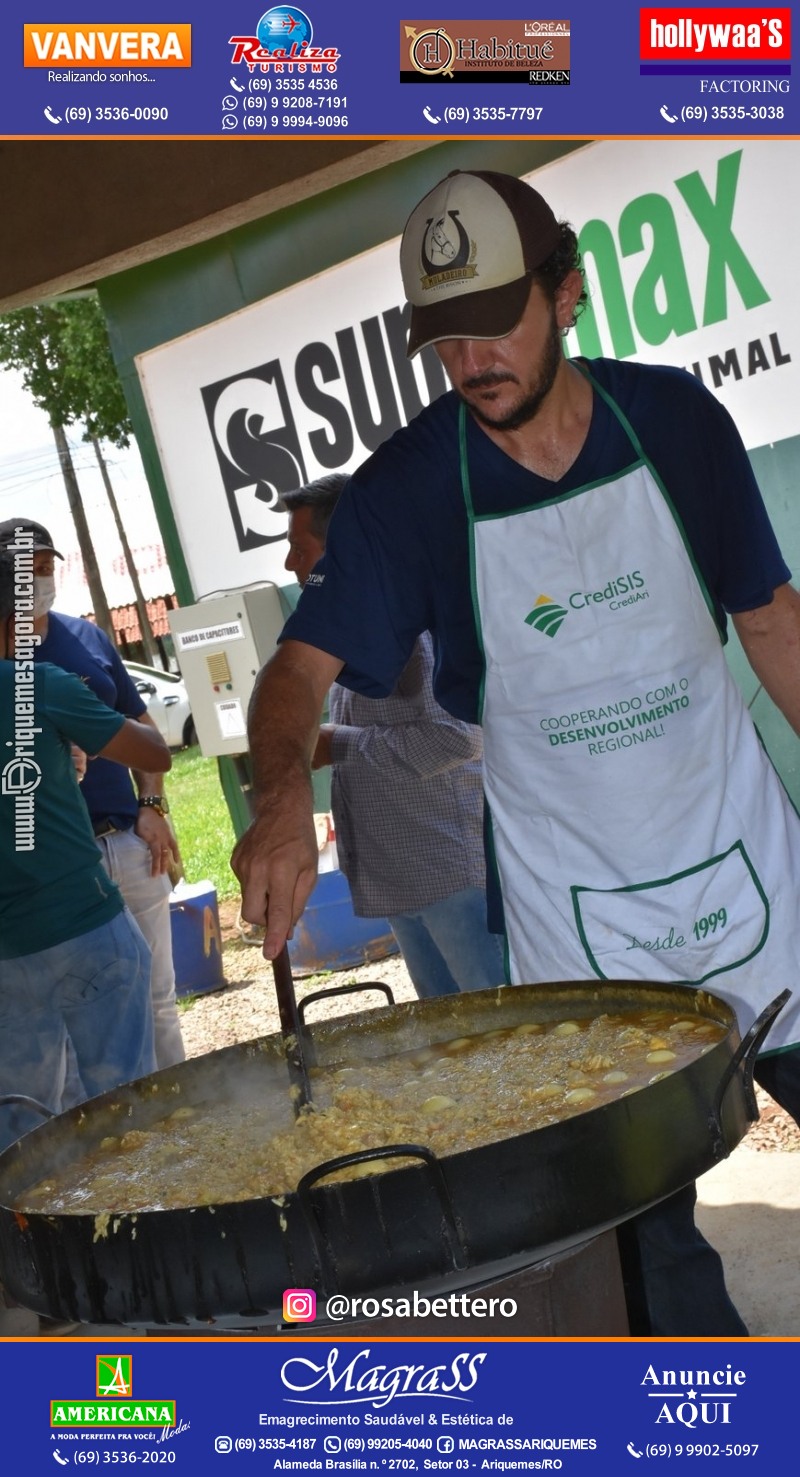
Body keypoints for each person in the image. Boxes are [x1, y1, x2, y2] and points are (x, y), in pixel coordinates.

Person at [231, 167, 800, 1336]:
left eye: (496, 322)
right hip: (576, 917)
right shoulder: (404, 493)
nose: (472, 361)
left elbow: (772, 624)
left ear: (567, 290)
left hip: (749, 871)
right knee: (650, 1256)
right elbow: (295, 677)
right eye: (444, 343)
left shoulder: (677, 421)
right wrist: (281, 793)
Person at [281, 474, 506, 997]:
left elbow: (457, 737)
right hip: (406, 878)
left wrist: (336, 743)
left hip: (449, 876)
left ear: (344, 548)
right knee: (455, 1036)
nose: (291, 565)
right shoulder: (354, 626)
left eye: (299, 549)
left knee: (506, 1025)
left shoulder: (411, 630)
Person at [0, 543, 170, 1154]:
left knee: (24, 1125)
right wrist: (77, 729)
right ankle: (141, 1230)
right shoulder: (42, 684)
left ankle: (40, 1242)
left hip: (8, 950)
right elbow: (155, 752)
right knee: (126, 1108)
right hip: (85, 924)